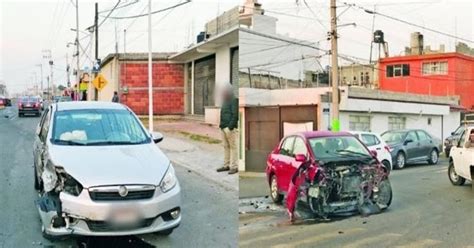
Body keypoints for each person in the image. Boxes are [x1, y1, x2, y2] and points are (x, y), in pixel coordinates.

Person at [216, 84, 239, 175]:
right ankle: (226, 165)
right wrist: (222, 126)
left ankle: (234, 167)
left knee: (233, 147)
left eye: (224, 91)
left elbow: (235, 115)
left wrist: (230, 127)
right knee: (226, 147)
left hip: (229, 129)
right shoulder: (225, 101)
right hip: (223, 127)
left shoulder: (234, 100)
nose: (222, 93)